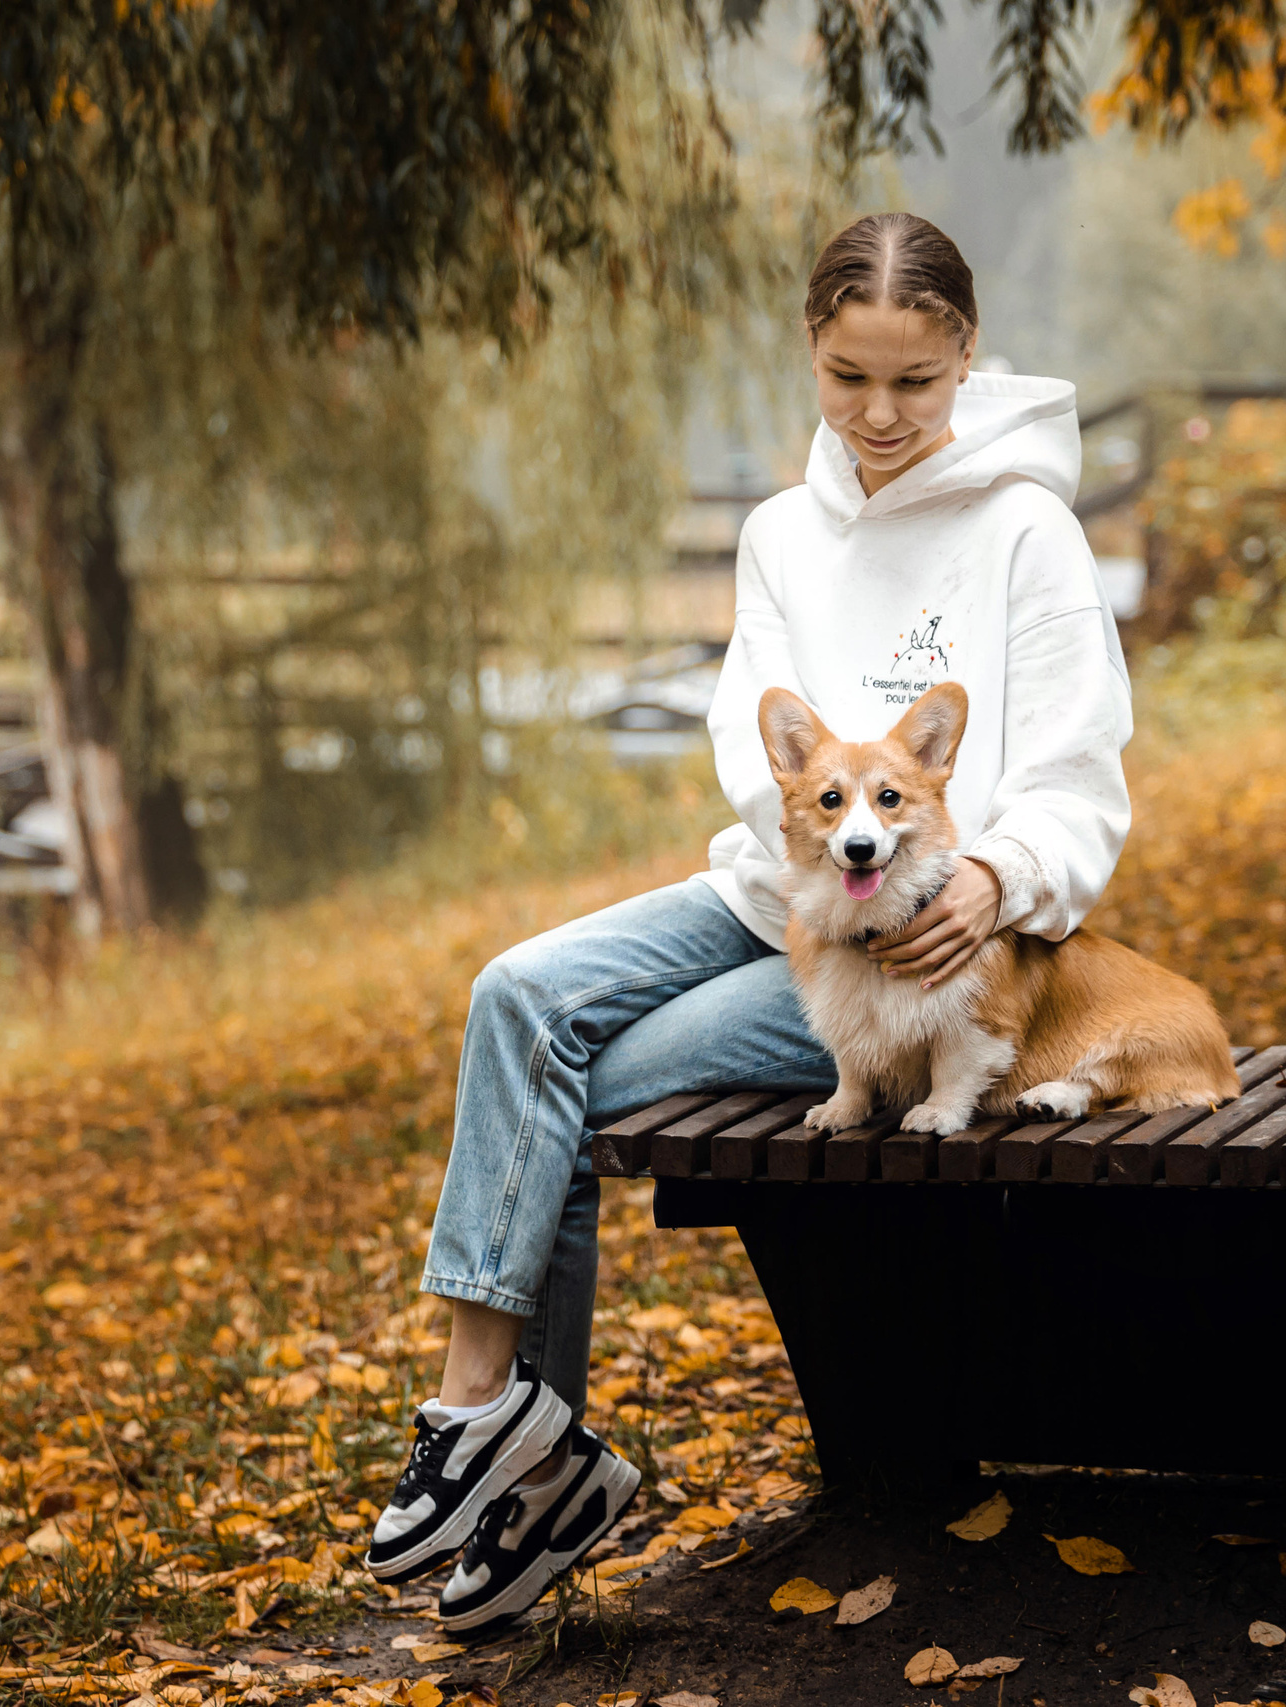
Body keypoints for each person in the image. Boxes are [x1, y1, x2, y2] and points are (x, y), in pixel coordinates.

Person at [363, 211, 1135, 1629]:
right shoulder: (784, 533)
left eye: (914, 378)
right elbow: (755, 735)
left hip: (922, 950)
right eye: (850, 378)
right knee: (516, 998)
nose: (882, 414)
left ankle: (534, 1487)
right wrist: (805, 841)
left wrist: (993, 877)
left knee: (568, 1093)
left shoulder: (1028, 530)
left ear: (966, 352)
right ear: (812, 354)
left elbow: (1083, 784)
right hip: (780, 889)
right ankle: (486, 1420)